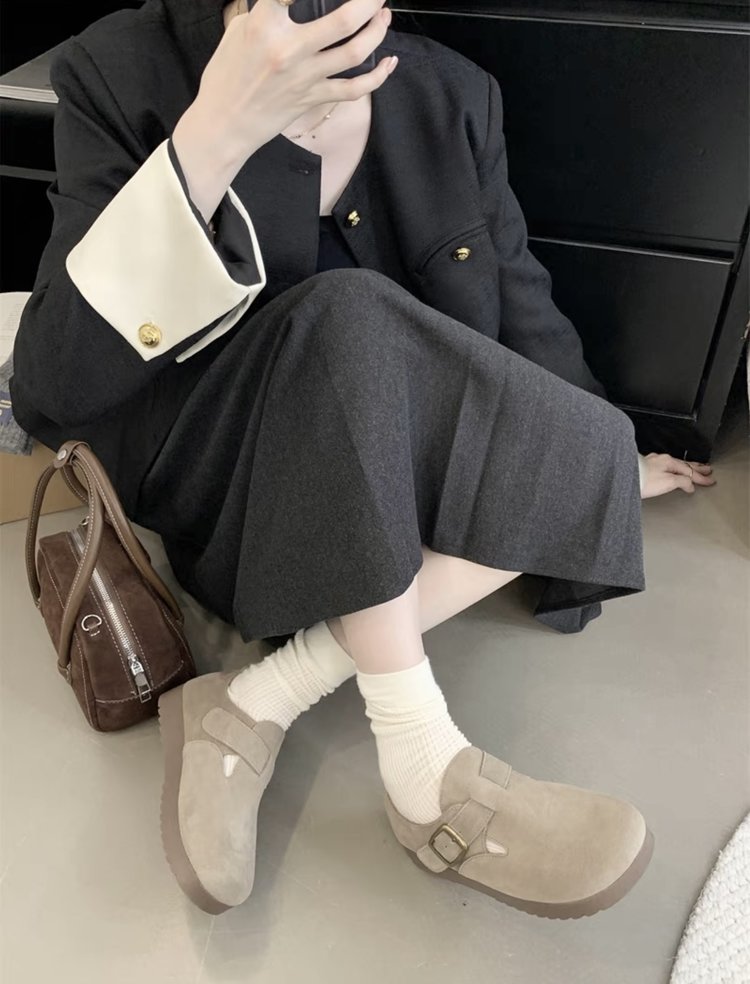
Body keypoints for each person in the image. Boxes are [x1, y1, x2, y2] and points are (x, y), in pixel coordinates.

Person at [10, 0, 715, 920]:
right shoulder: (123, 70)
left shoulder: (451, 95)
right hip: (233, 496)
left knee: (588, 440)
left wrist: (604, 454)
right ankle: (425, 769)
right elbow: (53, 385)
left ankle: (256, 701)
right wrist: (215, 135)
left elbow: (519, 300)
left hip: (391, 503)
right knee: (348, 314)